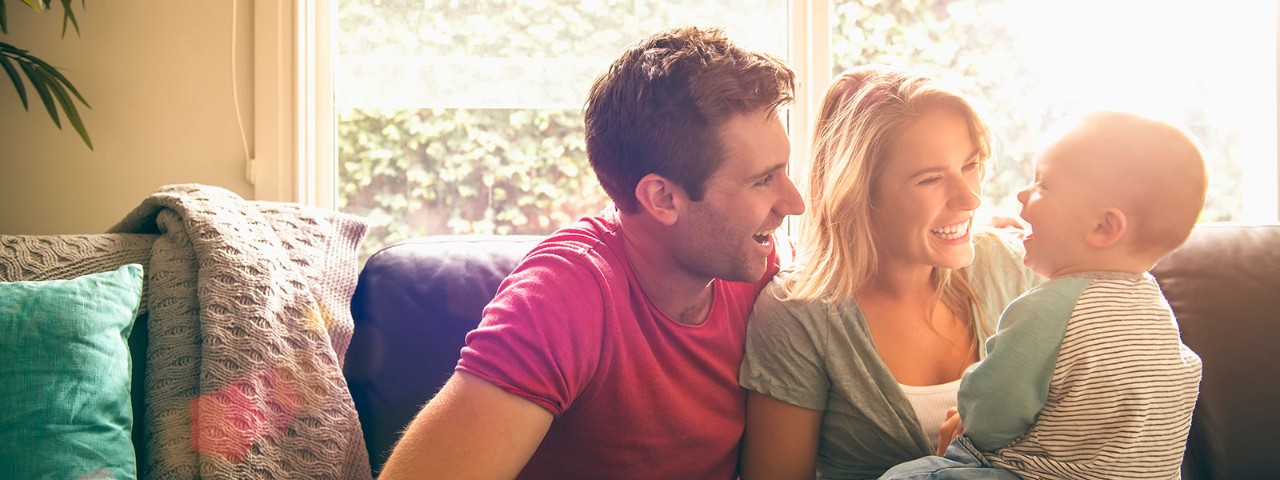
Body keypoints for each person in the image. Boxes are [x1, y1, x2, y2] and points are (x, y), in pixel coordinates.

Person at [376, 26, 804, 479]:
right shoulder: (560, 297)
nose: (793, 203)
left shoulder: (760, 268)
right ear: (662, 198)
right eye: (762, 180)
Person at [738, 65, 1042, 479]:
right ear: (858, 193)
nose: (970, 198)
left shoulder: (1014, 266)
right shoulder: (799, 313)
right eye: (931, 179)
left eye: (969, 165)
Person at [879, 110, 1206, 479]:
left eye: (1042, 185)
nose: (1021, 193)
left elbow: (993, 412)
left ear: (1103, 226)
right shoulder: (1154, 309)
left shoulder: (1049, 309)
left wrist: (967, 421)